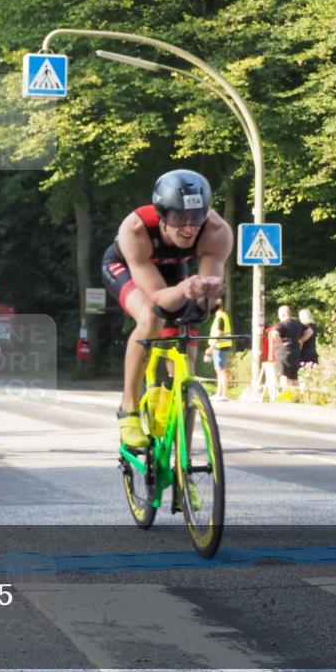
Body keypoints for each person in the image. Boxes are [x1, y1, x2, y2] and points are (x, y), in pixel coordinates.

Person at [101, 169, 233, 458]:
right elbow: (161, 298)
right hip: (126, 266)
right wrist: (186, 289)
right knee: (151, 318)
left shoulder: (217, 231)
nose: (189, 228)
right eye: (178, 219)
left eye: (196, 218)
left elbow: (202, 305)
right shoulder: (134, 229)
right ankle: (129, 409)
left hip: (174, 268)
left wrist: (206, 294)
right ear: (162, 214)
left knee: (188, 347)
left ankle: (182, 463)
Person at [269, 306, 310, 390]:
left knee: (284, 376)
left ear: (283, 314)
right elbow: (310, 331)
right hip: (296, 353)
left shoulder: (282, 324)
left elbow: (274, 334)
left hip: (283, 355)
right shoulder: (298, 323)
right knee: (294, 377)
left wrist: (281, 341)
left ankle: (286, 396)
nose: (279, 317)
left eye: (279, 315)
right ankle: (296, 397)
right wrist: (301, 340)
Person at [204, 298, 232, 401]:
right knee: (219, 370)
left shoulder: (220, 317)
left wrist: (210, 348)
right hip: (220, 346)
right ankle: (219, 393)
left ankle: (224, 394)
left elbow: (220, 333)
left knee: (222, 370)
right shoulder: (221, 316)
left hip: (220, 346)